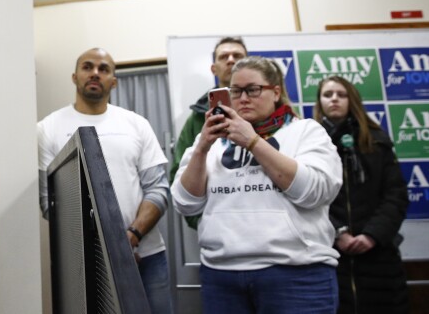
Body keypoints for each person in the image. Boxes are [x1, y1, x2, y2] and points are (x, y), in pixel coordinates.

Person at [172, 56, 342, 313]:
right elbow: (185, 203)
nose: (243, 99)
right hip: (221, 274)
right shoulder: (211, 140)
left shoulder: (306, 131)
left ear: (276, 92)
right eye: (235, 91)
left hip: (296, 272)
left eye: (253, 90)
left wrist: (252, 142)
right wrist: (202, 148)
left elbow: (314, 192)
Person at [38, 48, 173, 314]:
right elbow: (49, 204)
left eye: (103, 69)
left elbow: (158, 190)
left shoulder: (136, 124)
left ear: (114, 81)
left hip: (146, 256)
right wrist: (105, 248)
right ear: (75, 76)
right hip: (85, 262)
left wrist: (130, 238)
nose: (95, 73)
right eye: (87, 67)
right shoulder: (47, 128)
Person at [314, 76, 409, 314]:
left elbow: (395, 195)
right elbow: (307, 198)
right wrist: (338, 233)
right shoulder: (310, 144)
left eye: (341, 94)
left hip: (378, 255)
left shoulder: (377, 140)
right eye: (327, 95)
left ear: (352, 100)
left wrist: (371, 235)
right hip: (329, 252)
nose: (334, 99)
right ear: (319, 102)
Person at [170, 36, 247, 229]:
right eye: (224, 57)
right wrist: (204, 221)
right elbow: (180, 173)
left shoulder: (267, 109)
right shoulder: (198, 118)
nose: (231, 60)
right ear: (214, 69)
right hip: (218, 230)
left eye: (237, 56)